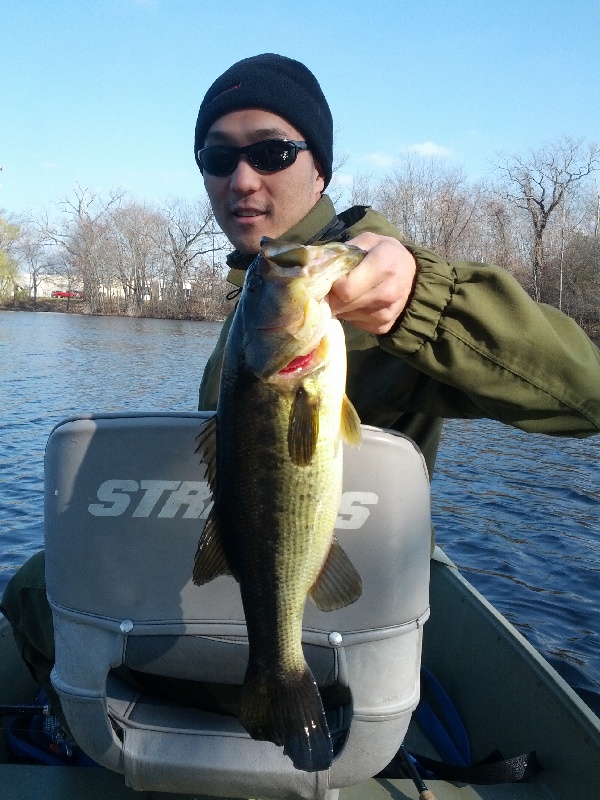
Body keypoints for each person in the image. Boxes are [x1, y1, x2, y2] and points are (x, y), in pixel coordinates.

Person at [2, 52, 599, 739]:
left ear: (321, 169)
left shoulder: (365, 283)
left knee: (35, 589)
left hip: (334, 636)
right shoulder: (260, 288)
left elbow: (587, 394)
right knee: (47, 574)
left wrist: (418, 301)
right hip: (273, 600)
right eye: (217, 156)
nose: (242, 178)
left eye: (273, 151)